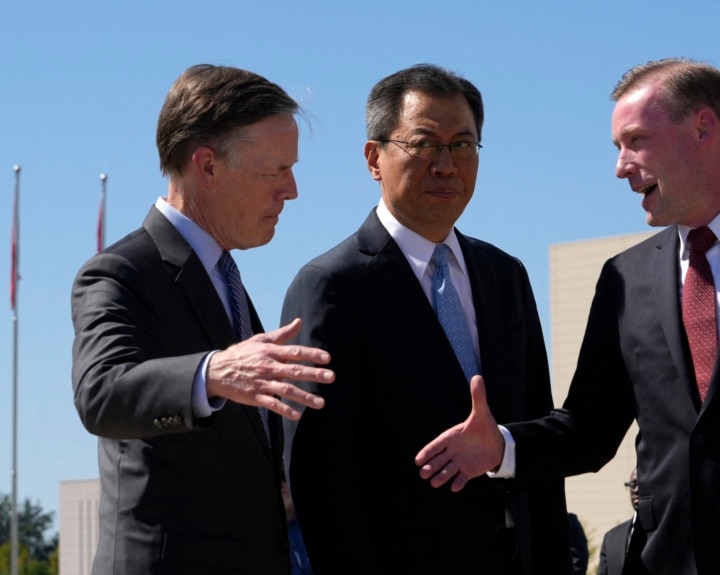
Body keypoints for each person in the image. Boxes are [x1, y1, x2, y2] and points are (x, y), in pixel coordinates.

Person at [416, 57, 720, 574]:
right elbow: (588, 428)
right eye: (618, 148)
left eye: (635, 141)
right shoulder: (624, 278)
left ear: (703, 126)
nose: (620, 166)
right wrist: (502, 447)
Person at [282, 63, 570, 575]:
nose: (446, 164)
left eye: (463, 145)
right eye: (424, 143)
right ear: (374, 158)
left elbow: (535, 431)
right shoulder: (331, 285)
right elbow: (318, 476)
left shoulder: (506, 276)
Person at [70, 64, 335, 575]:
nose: (292, 190)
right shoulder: (120, 273)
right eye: (274, 171)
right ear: (207, 164)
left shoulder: (225, 278)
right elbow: (100, 393)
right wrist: (213, 374)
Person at [597, 468, 642, 575]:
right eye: (633, 484)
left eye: (641, 483)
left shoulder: (668, 532)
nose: (636, 490)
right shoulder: (611, 538)